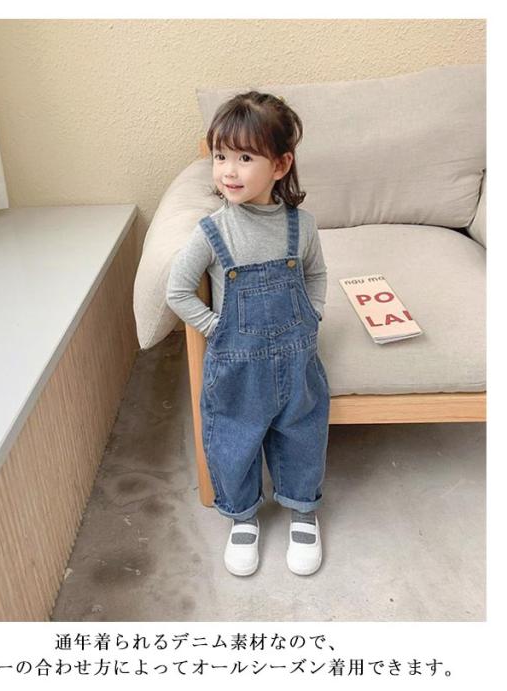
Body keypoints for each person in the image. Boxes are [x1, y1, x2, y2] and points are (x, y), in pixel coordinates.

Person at [166, 91, 330, 577]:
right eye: (220, 157)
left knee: (302, 433)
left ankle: (303, 508)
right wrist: (216, 327)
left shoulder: (302, 227)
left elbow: (316, 275)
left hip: (297, 363)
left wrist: (313, 315)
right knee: (233, 439)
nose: (228, 171)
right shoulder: (213, 232)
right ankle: (242, 516)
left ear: (280, 165)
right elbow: (178, 291)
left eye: (244, 158)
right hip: (237, 369)